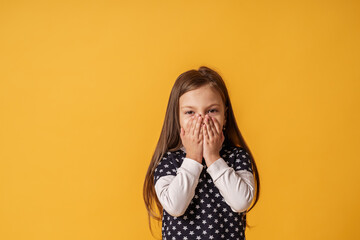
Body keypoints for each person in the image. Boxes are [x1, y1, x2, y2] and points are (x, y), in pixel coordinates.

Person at [143, 66, 260, 240]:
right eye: (190, 112)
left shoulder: (237, 156)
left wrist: (213, 158)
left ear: (225, 116)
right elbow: (175, 206)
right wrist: (193, 158)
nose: (202, 120)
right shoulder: (168, 160)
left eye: (212, 111)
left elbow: (241, 202)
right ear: (177, 118)